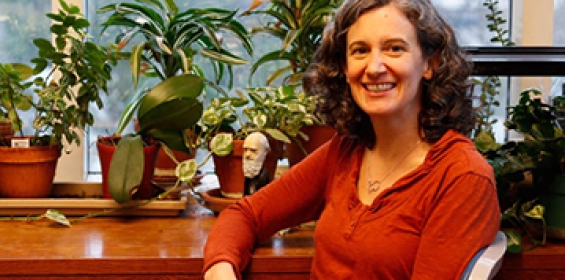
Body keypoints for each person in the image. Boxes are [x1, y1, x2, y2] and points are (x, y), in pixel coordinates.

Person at [202, 0, 501, 279]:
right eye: (360, 51)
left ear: (429, 63)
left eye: (394, 48)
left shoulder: (462, 177)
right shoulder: (344, 152)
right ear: (344, 68)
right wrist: (221, 268)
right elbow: (245, 214)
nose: (374, 67)